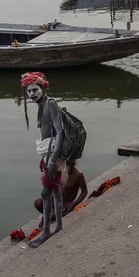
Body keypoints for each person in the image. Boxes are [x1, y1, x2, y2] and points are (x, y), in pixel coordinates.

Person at [21, 71, 65, 248]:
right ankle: (59, 225)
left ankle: (46, 231)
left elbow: (60, 131)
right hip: (48, 151)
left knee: (46, 193)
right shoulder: (41, 105)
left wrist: (54, 159)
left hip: (54, 153)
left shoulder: (50, 103)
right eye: (29, 91)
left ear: (42, 88)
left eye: (35, 90)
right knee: (55, 191)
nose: (32, 94)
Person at [34, 160, 88, 227]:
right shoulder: (60, 172)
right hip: (55, 199)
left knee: (48, 219)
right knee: (37, 203)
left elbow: (84, 192)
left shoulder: (78, 175)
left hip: (65, 204)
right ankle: (47, 214)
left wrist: (72, 206)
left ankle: (48, 216)